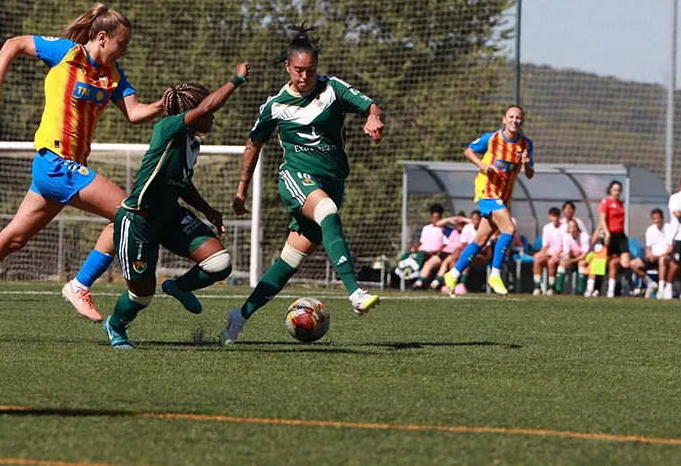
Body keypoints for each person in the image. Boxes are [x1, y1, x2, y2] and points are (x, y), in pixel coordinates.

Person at [0, 3, 162, 339]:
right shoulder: (68, 53)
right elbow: (14, 43)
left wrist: (166, 104)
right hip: (55, 162)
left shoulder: (113, 75)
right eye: (121, 44)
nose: (123, 51)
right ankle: (80, 284)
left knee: (14, 238)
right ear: (101, 37)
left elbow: (136, 113)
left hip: (66, 169)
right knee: (130, 212)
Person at [219, 24, 384, 345]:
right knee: (327, 210)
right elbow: (253, 144)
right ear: (287, 67)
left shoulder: (332, 89)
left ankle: (239, 317)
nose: (305, 76)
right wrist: (241, 189)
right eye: (298, 70)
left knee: (288, 263)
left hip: (332, 179)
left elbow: (370, 104)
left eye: (310, 70)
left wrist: (373, 117)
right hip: (296, 178)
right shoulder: (275, 105)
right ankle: (355, 293)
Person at [103, 65, 249, 349]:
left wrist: (209, 211)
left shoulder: (192, 144)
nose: (213, 116)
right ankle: (117, 325)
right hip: (139, 222)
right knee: (142, 296)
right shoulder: (167, 127)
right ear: (193, 115)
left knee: (219, 264)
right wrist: (236, 79)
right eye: (208, 113)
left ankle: (177, 287)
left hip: (170, 216)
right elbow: (208, 104)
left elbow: (183, 184)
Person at [442, 105, 534, 296]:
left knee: (481, 239)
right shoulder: (491, 138)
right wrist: (482, 165)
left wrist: (527, 165)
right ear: (504, 119)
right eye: (511, 116)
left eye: (518, 118)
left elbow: (530, 174)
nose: (514, 120)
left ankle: (453, 273)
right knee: (509, 229)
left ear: (522, 121)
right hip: (487, 190)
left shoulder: (526, 144)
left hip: (504, 196)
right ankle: (495, 274)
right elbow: (468, 151)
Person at [588, 180, 656, 298]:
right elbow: (603, 220)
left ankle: (634, 288)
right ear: (610, 190)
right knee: (601, 262)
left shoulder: (620, 203)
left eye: (619, 190)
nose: (617, 192)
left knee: (625, 263)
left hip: (620, 236)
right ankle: (594, 289)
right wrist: (606, 233)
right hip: (610, 235)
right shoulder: (606, 202)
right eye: (615, 190)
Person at [411, 204, 447, 290]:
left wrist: (435, 251)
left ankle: (419, 283)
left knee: (429, 263)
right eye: (434, 217)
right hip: (423, 253)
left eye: (437, 218)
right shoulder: (426, 228)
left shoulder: (444, 230)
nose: (435, 220)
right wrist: (415, 248)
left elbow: (446, 245)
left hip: (437, 255)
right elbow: (422, 243)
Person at [446, 210, 482, 296]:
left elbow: (485, 248)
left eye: (477, 219)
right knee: (455, 258)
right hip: (468, 252)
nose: (475, 221)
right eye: (473, 219)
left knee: (468, 257)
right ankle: (452, 284)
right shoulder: (467, 228)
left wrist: (469, 251)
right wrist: (459, 250)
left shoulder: (484, 229)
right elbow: (463, 244)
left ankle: (462, 284)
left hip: (481, 255)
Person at [643, 208, 674, 299]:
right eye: (655, 218)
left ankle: (660, 290)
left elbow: (671, 247)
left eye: (659, 218)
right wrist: (649, 254)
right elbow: (649, 247)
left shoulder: (669, 228)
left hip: (665, 257)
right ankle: (651, 283)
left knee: (662, 260)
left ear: (662, 218)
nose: (657, 220)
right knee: (633, 264)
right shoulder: (650, 230)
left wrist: (663, 255)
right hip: (653, 257)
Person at [554, 218, 590, 294]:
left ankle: (581, 290)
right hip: (573, 257)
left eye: (574, 227)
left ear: (577, 228)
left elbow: (584, 255)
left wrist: (572, 261)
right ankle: (558, 289)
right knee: (562, 263)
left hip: (585, 257)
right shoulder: (566, 237)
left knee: (581, 263)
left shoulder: (584, 236)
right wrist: (567, 260)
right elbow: (567, 253)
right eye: (570, 227)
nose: (572, 229)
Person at [532, 207, 562, 295]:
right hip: (549, 253)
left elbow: (564, 244)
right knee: (537, 260)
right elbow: (545, 245)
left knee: (551, 262)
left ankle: (551, 287)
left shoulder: (564, 227)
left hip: (559, 254)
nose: (555, 218)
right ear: (550, 216)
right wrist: (542, 253)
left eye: (556, 216)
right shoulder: (547, 228)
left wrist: (556, 253)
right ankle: (537, 287)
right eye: (553, 216)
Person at [666, 177, 681, 300]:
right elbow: (677, 213)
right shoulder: (675, 198)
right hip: (678, 237)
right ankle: (667, 287)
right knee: (675, 265)